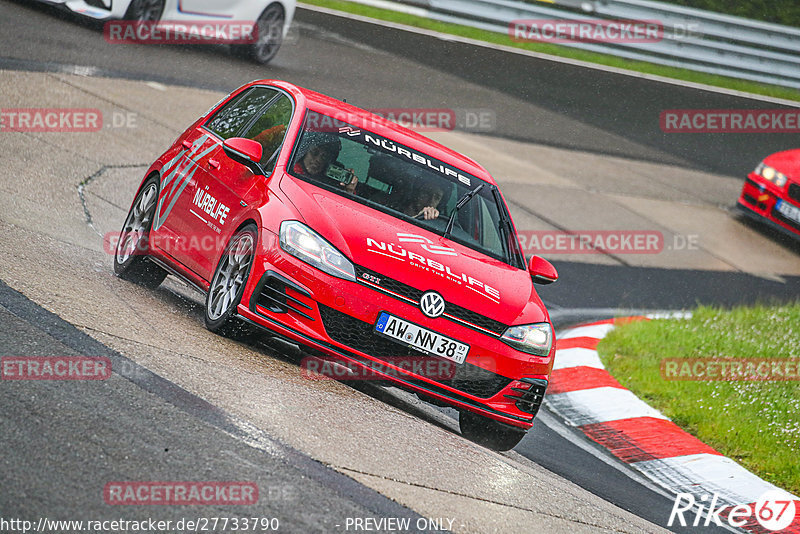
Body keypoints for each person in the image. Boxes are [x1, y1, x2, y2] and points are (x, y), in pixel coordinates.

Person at [293, 132, 358, 194]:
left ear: (329, 161)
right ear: (305, 152)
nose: (318, 160)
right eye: (314, 152)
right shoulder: (291, 170)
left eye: (324, 157)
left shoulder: (333, 183)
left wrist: (349, 191)